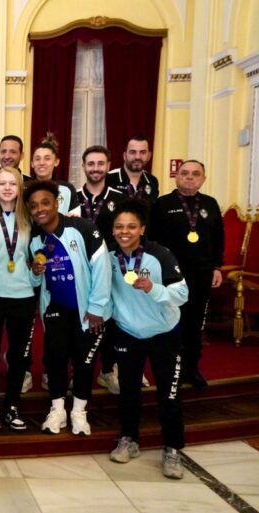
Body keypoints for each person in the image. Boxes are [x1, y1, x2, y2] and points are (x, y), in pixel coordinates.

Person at [107, 199, 188, 479]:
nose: (124, 231)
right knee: (128, 391)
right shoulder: (108, 256)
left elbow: (182, 294)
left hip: (164, 332)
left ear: (142, 229)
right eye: (119, 227)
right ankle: (129, 439)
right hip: (128, 332)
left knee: (169, 393)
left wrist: (154, 288)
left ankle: (173, 449)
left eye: (131, 226)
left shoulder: (160, 255)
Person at [27, 180, 112, 436]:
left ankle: (79, 412)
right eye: (33, 206)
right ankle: (58, 410)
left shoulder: (83, 228)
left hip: (88, 312)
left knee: (84, 364)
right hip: (55, 309)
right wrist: (34, 272)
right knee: (55, 360)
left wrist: (96, 308)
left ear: (57, 203)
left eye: (45, 202)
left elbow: (102, 268)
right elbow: (35, 281)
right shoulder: (35, 239)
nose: (40, 209)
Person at [148, 160, 224, 389]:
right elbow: (151, 240)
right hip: (171, 276)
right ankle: (171, 368)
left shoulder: (210, 204)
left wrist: (217, 267)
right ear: (176, 176)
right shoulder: (162, 204)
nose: (190, 177)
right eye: (184, 173)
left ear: (203, 179)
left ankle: (192, 368)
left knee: (195, 324)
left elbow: (218, 239)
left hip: (201, 275)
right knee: (172, 323)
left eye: (195, 174)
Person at [0, 167, 36, 431]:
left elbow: (35, 260)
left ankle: (12, 405)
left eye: (12, 183)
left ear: (20, 187)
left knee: (18, 356)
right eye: (1, 183)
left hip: (22, 295)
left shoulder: (30, 222)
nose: (6, 188)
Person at [77, 145, 128, 394]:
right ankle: (76, 371)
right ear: (83, 166)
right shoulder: (73, 198)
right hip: (79, 269)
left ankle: (108, 370)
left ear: (108, 166)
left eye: (100, 163)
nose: (95, 168)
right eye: (90, 164)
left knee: (110, 319)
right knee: (79, 319)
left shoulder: (120, 199)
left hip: (111, 268)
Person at [30, 134, 80, 216]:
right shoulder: (24, 188)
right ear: (32, 164)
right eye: (37, 159)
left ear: (56, 162)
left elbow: (73, 219)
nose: (42, 163)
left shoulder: (67, 189)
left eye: (47, 158)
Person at [106, 135, 159, 203]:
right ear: (124, 156)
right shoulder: (109, 178)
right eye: (133, 152)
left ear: (149, 156)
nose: (137, 157)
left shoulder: (152, 181)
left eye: (143, 152)